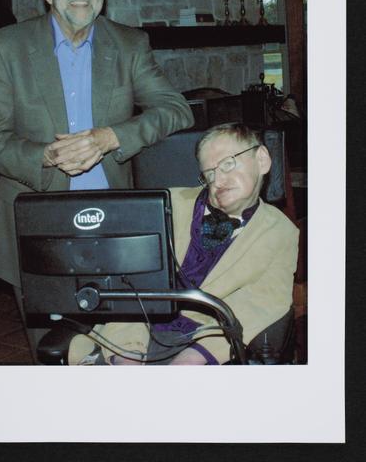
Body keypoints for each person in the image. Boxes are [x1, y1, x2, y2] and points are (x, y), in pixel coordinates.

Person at [0, 0, 193, 361]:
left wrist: (111, 137)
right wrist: (45, 155)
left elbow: (175, 109)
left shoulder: (128, 45)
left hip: (114, 223)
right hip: (34, 221)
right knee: (54, 353)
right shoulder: (6, 47)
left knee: (119, 347)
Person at [68, 123, 299, 365]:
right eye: (209, 173)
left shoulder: (281, 232)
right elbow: (127, 278)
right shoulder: (161, 204)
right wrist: (127, 354)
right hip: (135, 330)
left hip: (206, 337)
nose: (217, 180)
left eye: (227, 164)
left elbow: (262, 302)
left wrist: (196, 357)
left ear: (262, 159)